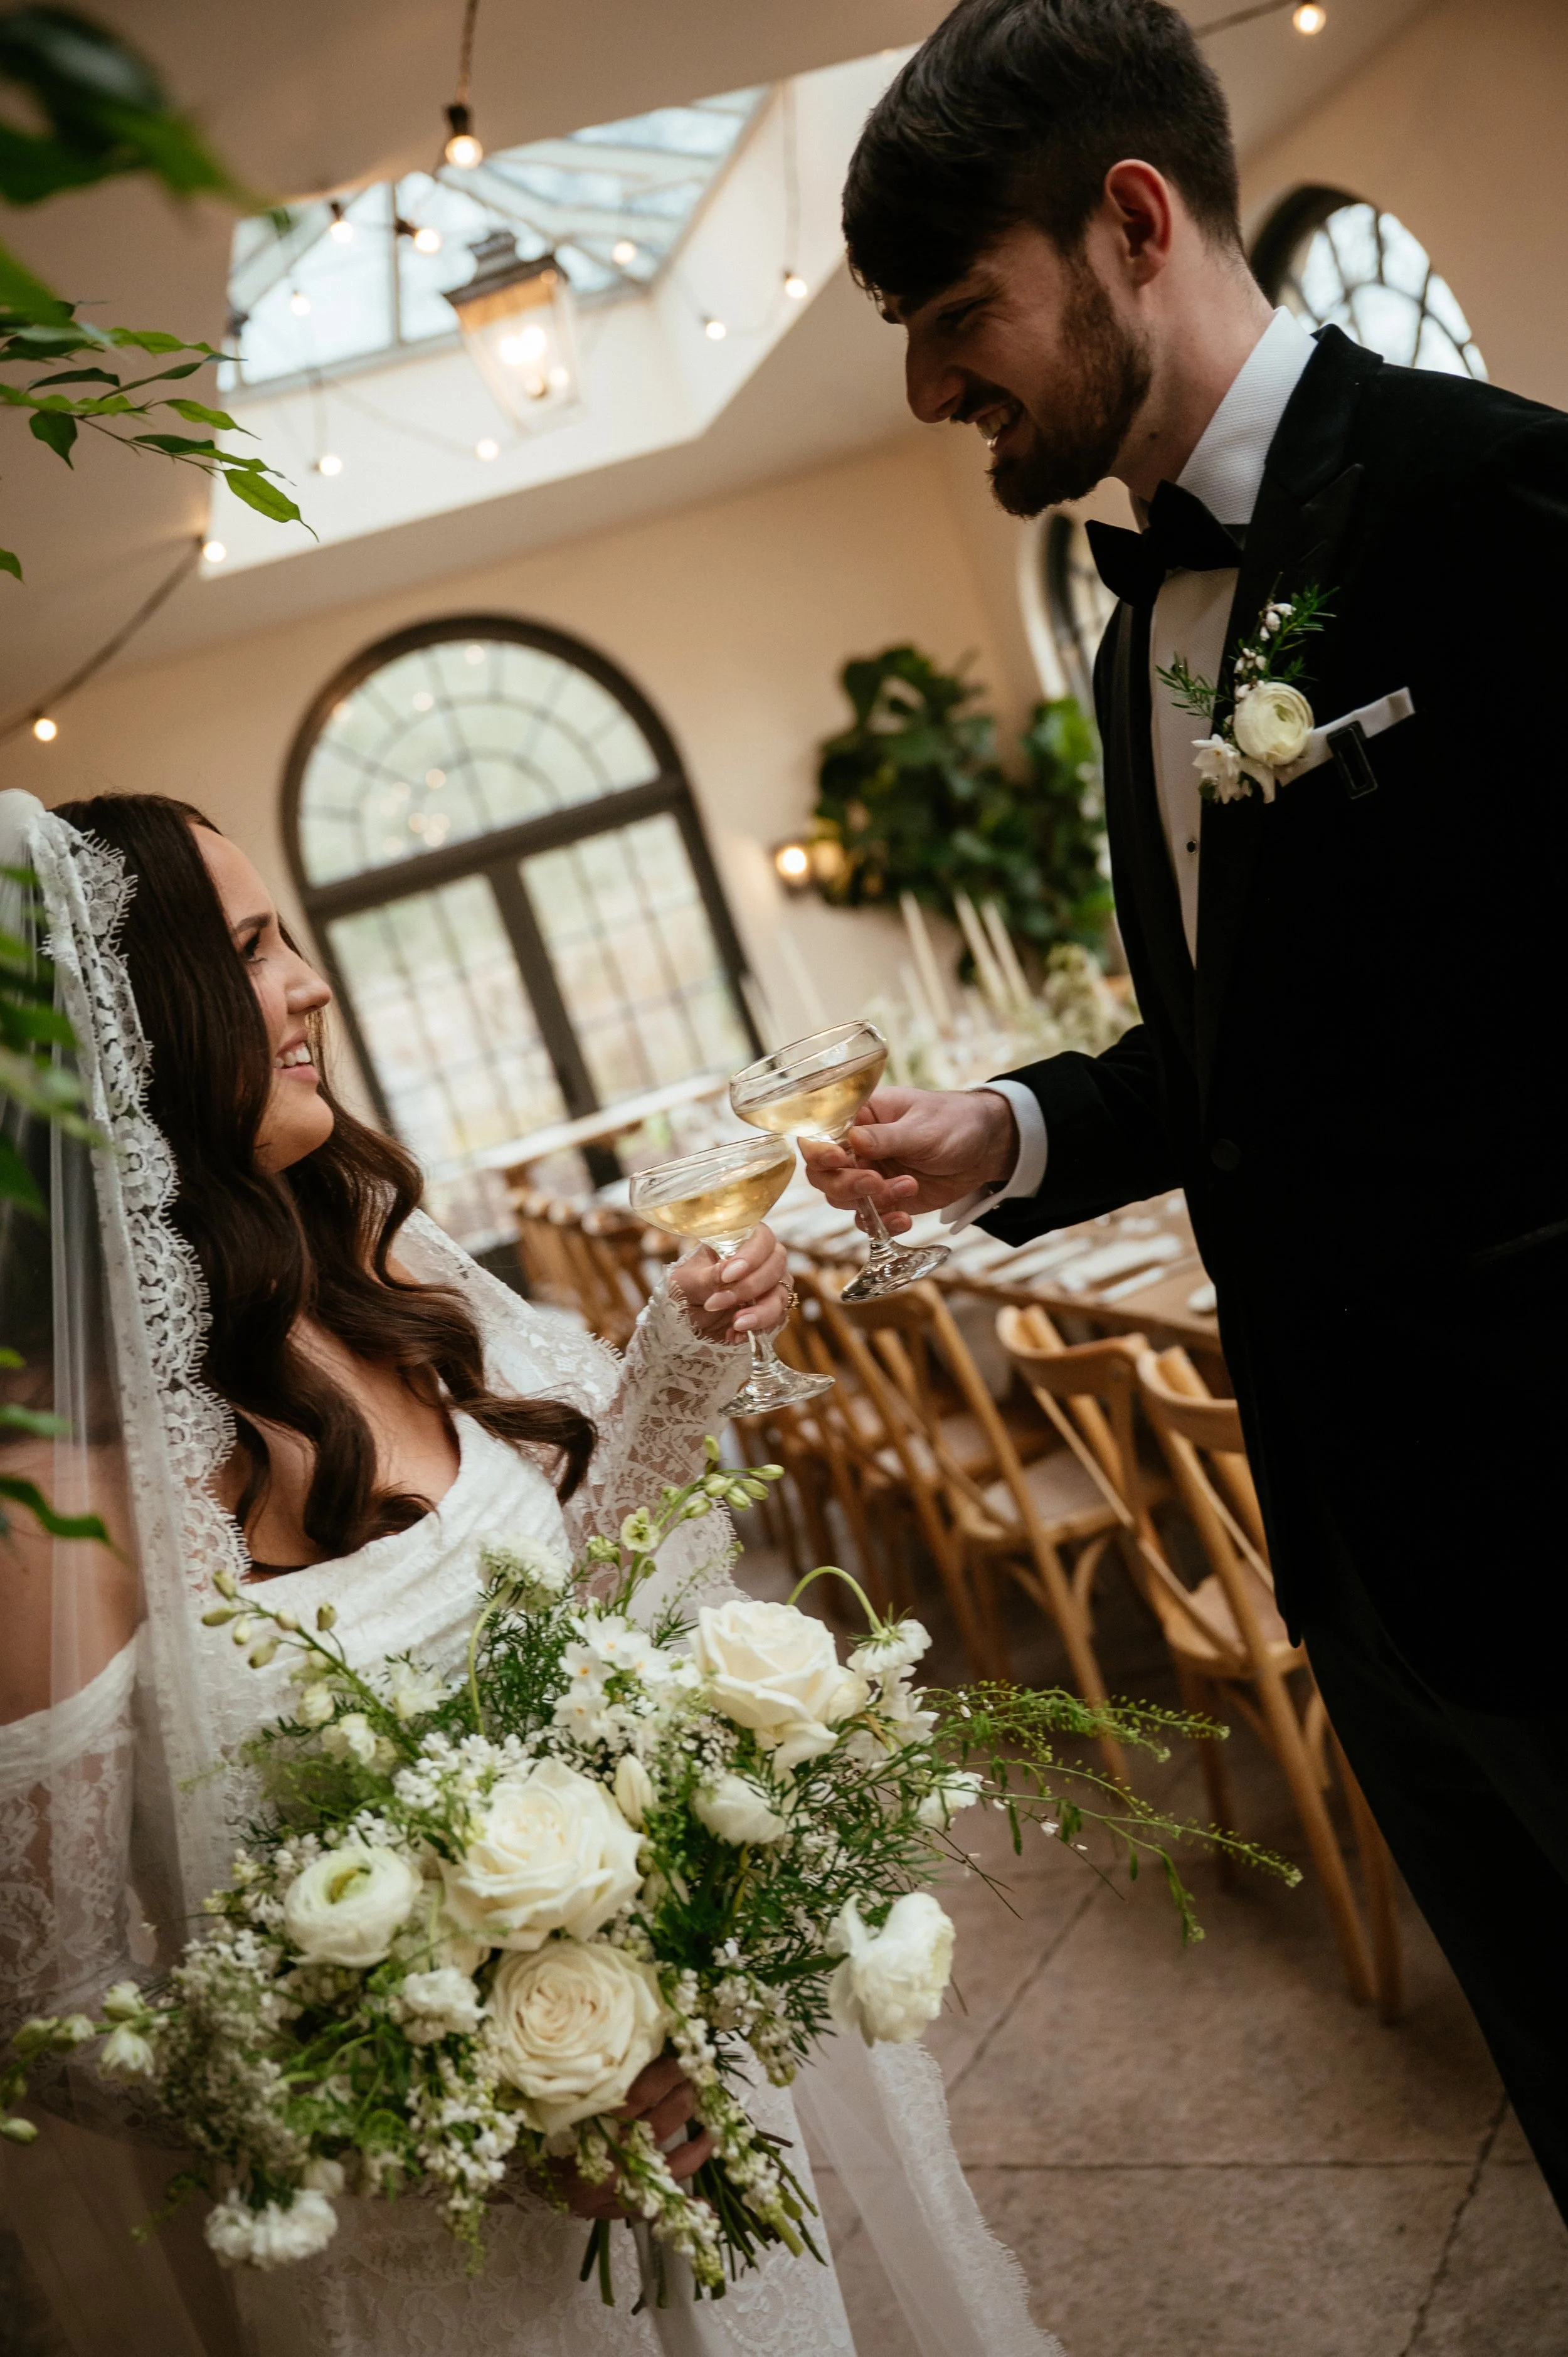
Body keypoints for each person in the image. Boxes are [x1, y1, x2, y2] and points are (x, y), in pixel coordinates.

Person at [809, 0, 1568, 2226]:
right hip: (1358, 1547)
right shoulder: (1145, 617)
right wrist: (1019, 1129)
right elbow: (1247, 1060)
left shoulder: (1499, 498)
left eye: (963, 315)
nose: (938, 388)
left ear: (1134, 222)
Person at [0, 789, 1057, 2357]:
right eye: (245, 950)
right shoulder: (50, 1501)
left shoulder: (377, 1266)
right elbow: (52, 2009)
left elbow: (575, 1620)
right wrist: (468, 2102)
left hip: (694, 2122)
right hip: (441, 2250)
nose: (307, 983)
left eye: (286, 931)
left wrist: (678, 1371)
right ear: (128, 1027)